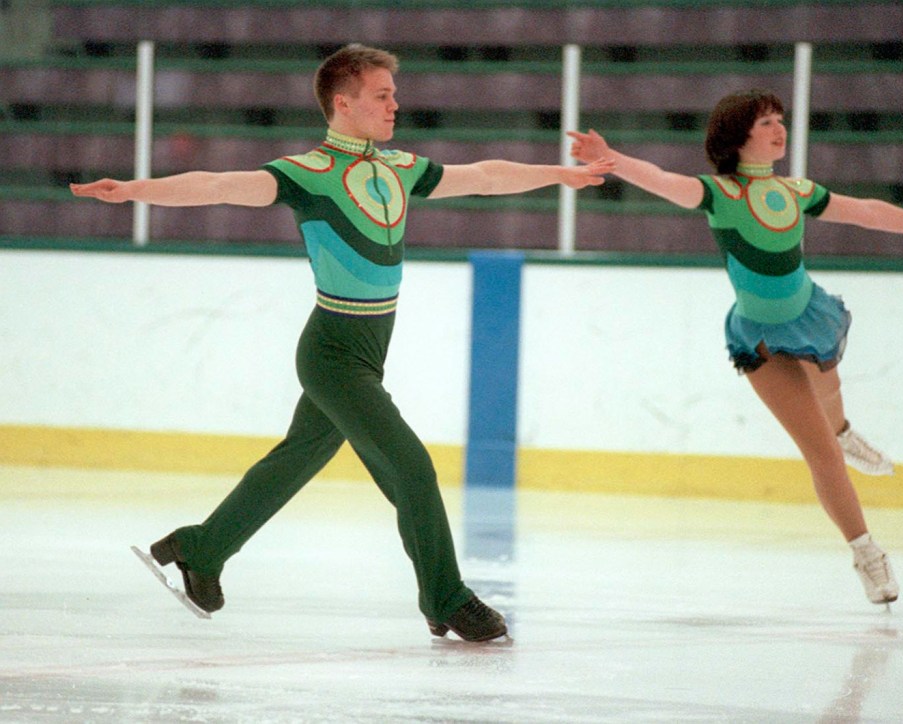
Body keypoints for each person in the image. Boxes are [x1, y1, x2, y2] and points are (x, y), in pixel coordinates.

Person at [70, 43, 614, 642]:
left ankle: (202, 548)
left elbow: (484, 176)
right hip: (332, 354)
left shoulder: (400, 168)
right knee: (411, 468)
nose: (395, 106)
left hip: (366, 351)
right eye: (382, 96)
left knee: (294, 461)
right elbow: (219, 184)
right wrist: (132, 190)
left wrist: (562, 175)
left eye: (394, 95)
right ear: (343, 103)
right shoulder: (307, 175)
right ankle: (445, 597)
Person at [568, 89, 903, 605]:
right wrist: (612, 159)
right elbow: (665, 182)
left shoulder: (796, 190)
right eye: (766, 122)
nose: (778, 128)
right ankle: (866, 552)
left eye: (780, 120)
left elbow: (866, 212)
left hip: (809, 316)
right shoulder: (721, 194)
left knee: (832, 410)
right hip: (759, 338)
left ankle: (846, 431)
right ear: (739, 135)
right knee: (821, 452)